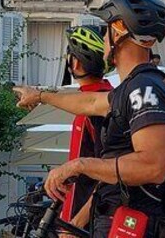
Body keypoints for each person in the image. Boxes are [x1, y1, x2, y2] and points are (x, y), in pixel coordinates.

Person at [15, 0, 165, 238]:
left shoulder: (145, 89)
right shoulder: (131, 88)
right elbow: (90, 101)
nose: (104, 40)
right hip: (119, 220)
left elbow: (152, 166)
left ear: (118, 32)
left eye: (106, 29)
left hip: (135, 222)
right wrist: (40, 96)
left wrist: (79, 165)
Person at [59, 25, 113, 232]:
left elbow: (110, 174)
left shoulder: (96, 109)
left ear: (76, 62)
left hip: (87, 222)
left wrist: (75, 223)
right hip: (88, 218)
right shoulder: (103, 97)